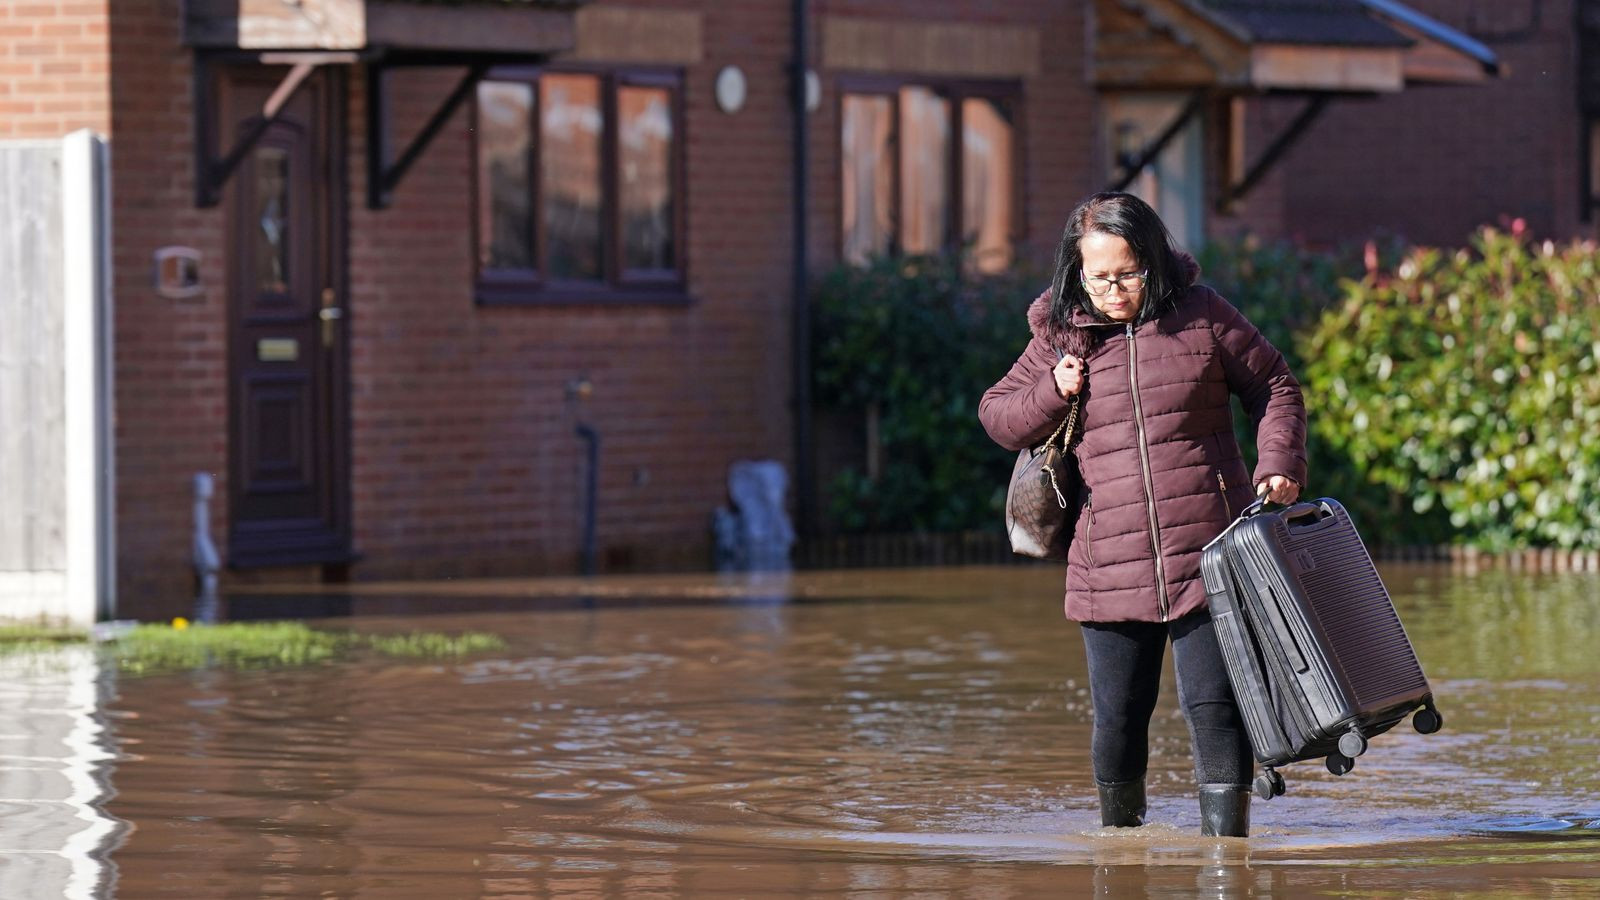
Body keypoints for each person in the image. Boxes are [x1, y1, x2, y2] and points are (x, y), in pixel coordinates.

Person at [978, 192, 1306, 837]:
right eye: (1099, 277)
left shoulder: (1203, 315)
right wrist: (1054, 388)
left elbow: (1274, 385)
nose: (1114, 290)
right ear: (1078, 272)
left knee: (1215, 709)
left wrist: (1280, 463)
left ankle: (1225, 859)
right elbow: (997, 416)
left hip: (1213, 552)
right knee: (1119, 716)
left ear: (1154, 261)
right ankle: (1118, 853)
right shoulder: (1059, 334)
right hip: (1108, 561)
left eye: (1129, 273)